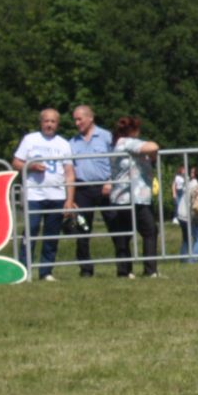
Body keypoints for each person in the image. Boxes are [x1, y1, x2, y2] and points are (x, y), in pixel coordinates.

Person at [66, 104, 131, 278]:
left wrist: (111, 181)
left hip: (106, 187)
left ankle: (124, 269)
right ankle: (86, 270)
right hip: (83, 189)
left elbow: (118, 162)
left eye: (80, 119)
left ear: (90, 118)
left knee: (116, 228)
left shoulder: (107, 137)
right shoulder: (72, 143)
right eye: (75, 119)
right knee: (82, 230)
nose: (77, 122)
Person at [11, 107, 74, 281]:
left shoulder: (63, 143)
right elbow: (16, 163)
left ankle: (46, 271)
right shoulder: (30, 140)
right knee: (30, 231)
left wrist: (69, 199)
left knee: (52, 234)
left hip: (56, 195)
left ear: (57, 124)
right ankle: (24, 269)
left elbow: (69, 173)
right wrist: (31, 166)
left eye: (53, 121)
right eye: (46, 121)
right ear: (41, 122)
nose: (49, 124)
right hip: (34, 195)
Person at [109, 116, 162, 278]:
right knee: (150, 231)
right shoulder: (128, 143)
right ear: (133, 131)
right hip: (135, 197)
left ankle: (125, 271)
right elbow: (153, 146)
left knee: (124, 235)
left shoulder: (117, 145)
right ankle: (150, 270)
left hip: (120, 197)